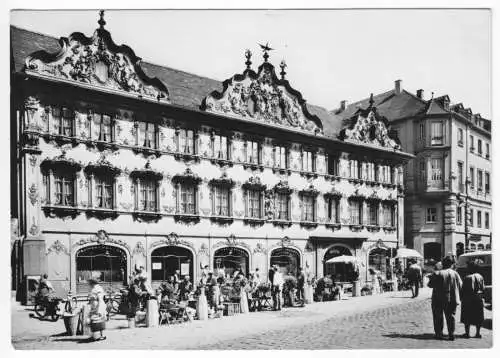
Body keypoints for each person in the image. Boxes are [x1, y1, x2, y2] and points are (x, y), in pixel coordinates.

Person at [428, 255, 462, 341]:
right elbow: (461, 285)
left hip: (438, 298)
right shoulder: (455, 273)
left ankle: (439, 333)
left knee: (438, 316)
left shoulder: (438, 273)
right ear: (452, 264)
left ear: (443, 264)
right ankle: (451, 334)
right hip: (452, 298)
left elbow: (430, 285)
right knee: (451, 316)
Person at [460, 259, 485, 338]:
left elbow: (464, 290)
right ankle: (478, 333)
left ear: (471, 268)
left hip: (468, 299)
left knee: (467, 316)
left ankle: (467, 333)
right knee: (478, 316)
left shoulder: (467, 277)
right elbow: (483, 288)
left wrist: (461, 298)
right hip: (478, 298)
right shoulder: (480, 276)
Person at [87, 276, 107, 341]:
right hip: (94, 306)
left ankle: (100, 335)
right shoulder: (93, 288)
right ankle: (95, 335)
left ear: (92, 282)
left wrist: (99, 310)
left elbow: (100, 299)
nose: (88, 284)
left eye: (89, 282)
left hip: (98, 306)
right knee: (95, 321)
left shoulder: (98, 288)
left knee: (99, 321)